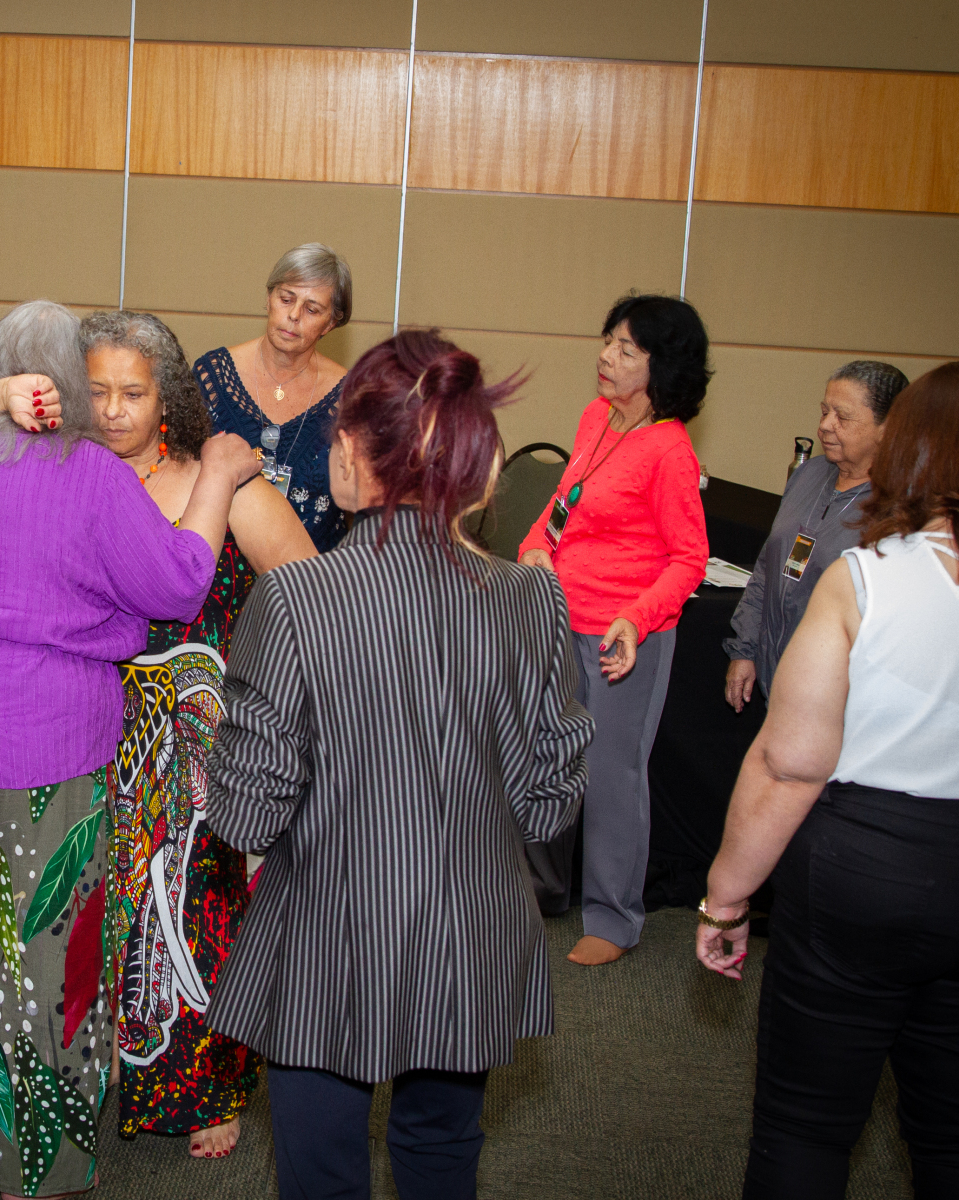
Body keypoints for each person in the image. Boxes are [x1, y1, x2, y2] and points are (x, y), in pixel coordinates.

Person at [0, 300, 262, 1198]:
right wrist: (221, 476)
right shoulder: (91, 475)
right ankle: (37, 1167)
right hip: (40, 742)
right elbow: (178, 586)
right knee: (49, 956)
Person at [204, 329, 594, 1200]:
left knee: (323, 1174)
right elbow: (547, 807)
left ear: (352, 449)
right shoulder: (532, 596)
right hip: (473, 935)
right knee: (442, 1154)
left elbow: (247, 817)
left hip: (326, 940)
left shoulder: (296, 598)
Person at [696, 363, 959, 1199]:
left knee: (807, 1124)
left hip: (877, 869)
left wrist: (726, 896)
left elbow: (788, 763)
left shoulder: (867, 577)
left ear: (907, 456)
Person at [76, 309, 315, 1158]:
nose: (112, 410)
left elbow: (316, 603)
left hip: (199, 740)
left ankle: (207, 1081)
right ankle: (98, 1055)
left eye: (132, 393)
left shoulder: (232, 486)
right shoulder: (63, 478)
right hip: (83, 726)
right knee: (89, 897)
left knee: (194, 906)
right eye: (96, 390)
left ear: (168, 398)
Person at [517, 293, 711, 965]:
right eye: (609, 341)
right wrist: (535, 544)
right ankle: (543, 891)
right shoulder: (596, 417)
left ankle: (614, 917)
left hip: (625, 637)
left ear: (663, 368)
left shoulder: (670, 450)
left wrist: (636, 616)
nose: (607, 356)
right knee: (549, 754)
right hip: (562, 618)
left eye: (627, 349)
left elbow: (689, 559)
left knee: (610, 774)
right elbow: (564, 503)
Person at [724, 361, 908, 711]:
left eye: (843, 417)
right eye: (825, 411)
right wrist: (745, 650)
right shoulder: (808, 474)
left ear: (889, 428)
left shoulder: (900, 508)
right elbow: (767, 568)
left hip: (841, 697)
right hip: (776, 679)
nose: (825, 425)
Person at [194, 243, 352, 551]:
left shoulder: (351, 398)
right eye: (286, 299)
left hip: (311, 572)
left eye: (312, 309)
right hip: (219, 570)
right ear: (268, 299)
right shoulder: (211, 377)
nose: (293, 315)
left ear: (331, 323)